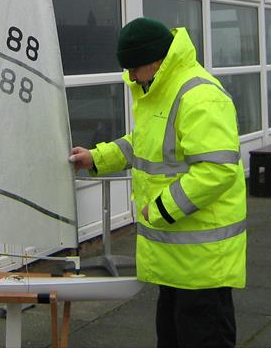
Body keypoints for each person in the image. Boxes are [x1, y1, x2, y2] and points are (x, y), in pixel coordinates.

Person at [70, 17, 247, 348]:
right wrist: (96, 158)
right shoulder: (159, 90)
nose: (131, 77)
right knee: (172, 337)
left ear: (156, 60)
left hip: (203, 260)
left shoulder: (200, 96)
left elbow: (217, 171)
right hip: (177, 257)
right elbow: (141, 142)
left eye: (135, 68)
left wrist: (161, 209)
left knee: (203, 337)